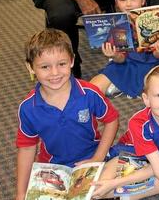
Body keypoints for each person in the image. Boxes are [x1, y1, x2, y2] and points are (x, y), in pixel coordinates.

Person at [15, 29, 119, 200]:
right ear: (31, 67)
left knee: (101, 187)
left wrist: (98, 157)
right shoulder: (28, 108)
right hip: (53, 169)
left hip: (91, 159)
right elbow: (26, 148)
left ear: (72, 60)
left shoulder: (89, 93)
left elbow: (112, 120)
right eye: (45, 67)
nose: (55, 73)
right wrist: (20, 194)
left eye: (61, 64)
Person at [92, 65, 159, 200]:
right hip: (132, 153)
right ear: (146, 99)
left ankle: (117, 194)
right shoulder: (138, 123)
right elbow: (158, 166)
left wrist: (114, 184)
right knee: (97, 185)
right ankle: (148, 187)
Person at [89, 0, 159, 98]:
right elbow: (120, 59)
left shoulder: (153, 21)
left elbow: (156, 56)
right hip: (124, 65)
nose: (128, 4)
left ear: (143, 0)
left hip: (150, 65)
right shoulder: (116, 25)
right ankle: (118, 84)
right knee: (92, 87)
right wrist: (114, 55)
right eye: (123, 0)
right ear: (116, 2)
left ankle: (120, 86)